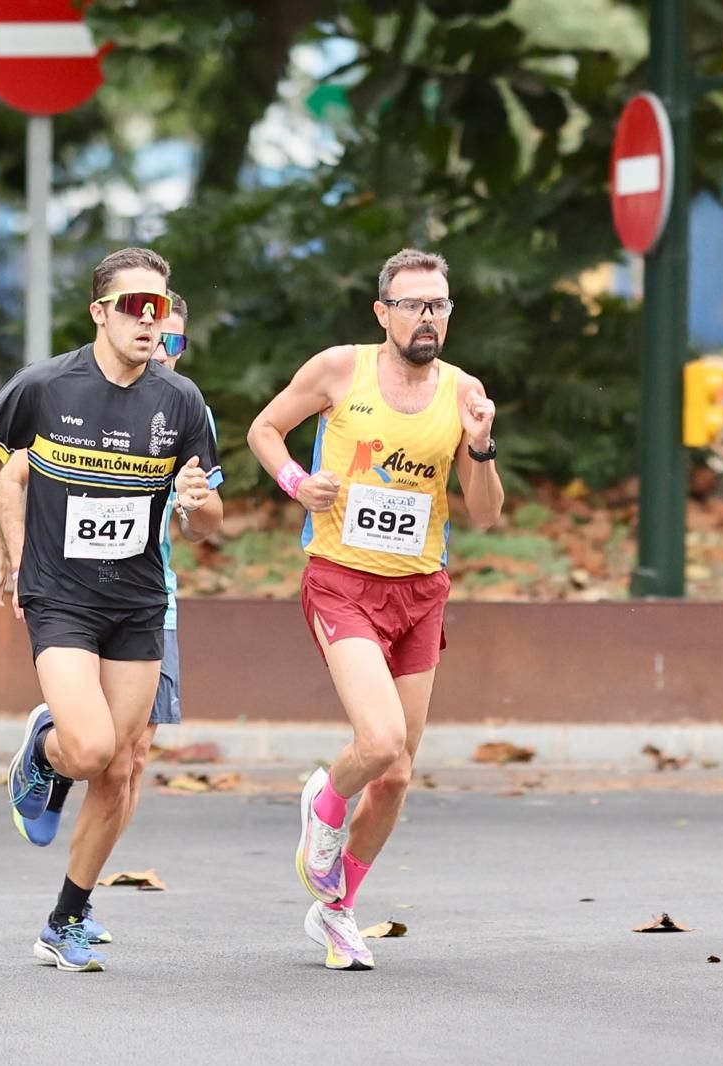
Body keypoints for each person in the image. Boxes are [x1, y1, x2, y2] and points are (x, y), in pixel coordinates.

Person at [0, 248, 222, 972]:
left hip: (138, 603)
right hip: (61, 598)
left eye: (159, 308)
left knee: (120, 771)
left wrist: (198, 509)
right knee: (92, 747)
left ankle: (65, 917)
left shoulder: (181, 402)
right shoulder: (45, 386)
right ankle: (43, 749)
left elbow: (212, 515)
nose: (149, 320)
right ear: (99, 311)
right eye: (134, 305)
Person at [246, 248, 502, 971]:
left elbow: (484, 514)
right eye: (415, 305)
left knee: (396, 775)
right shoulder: (339, 370)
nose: (428, 319)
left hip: (421, 592)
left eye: (440, 306)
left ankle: (335, 912)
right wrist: (298, 481)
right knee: (380, 739)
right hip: (342, 580)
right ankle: (323, 805)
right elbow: (264, 430)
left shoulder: (463, 393)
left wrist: (482, 447)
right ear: (383, 312)